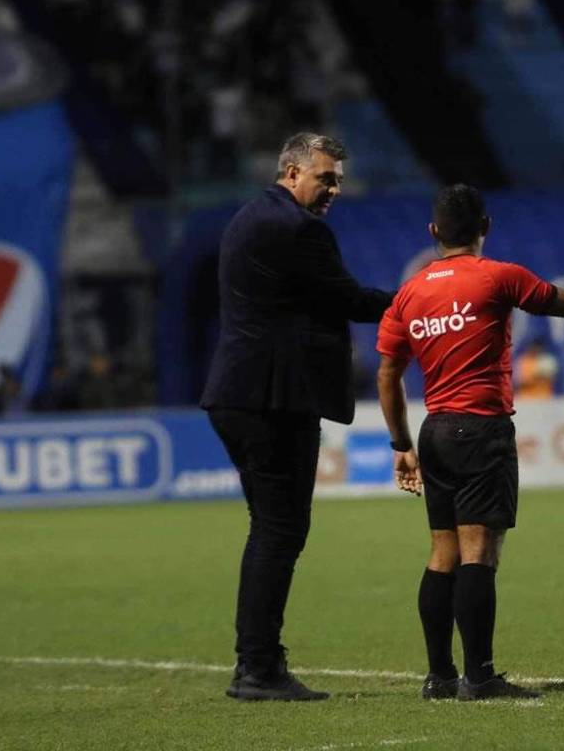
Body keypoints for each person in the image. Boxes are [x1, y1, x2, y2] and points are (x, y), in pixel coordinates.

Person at [376, 184, 564, 700]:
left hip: (435, 432)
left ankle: (440, 676)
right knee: (479, 553)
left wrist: (400, 444)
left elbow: (388, 373)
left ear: (433, 232)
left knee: (442, 553)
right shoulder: (499, 277)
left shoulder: (408, 293)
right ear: (485, 226)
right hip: (482, 429)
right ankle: (480, 678)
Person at [201, 132, 394, 702]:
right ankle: (258, 668)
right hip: (273, 397)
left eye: (338, 180)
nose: (334, 189)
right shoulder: (298, 229)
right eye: (325, 178)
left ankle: (257, 663)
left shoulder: (250, 218)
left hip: (241, 392)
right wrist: (421, 299)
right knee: (280, 531)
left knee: (271, 528)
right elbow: (348, 299)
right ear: (291, 172)